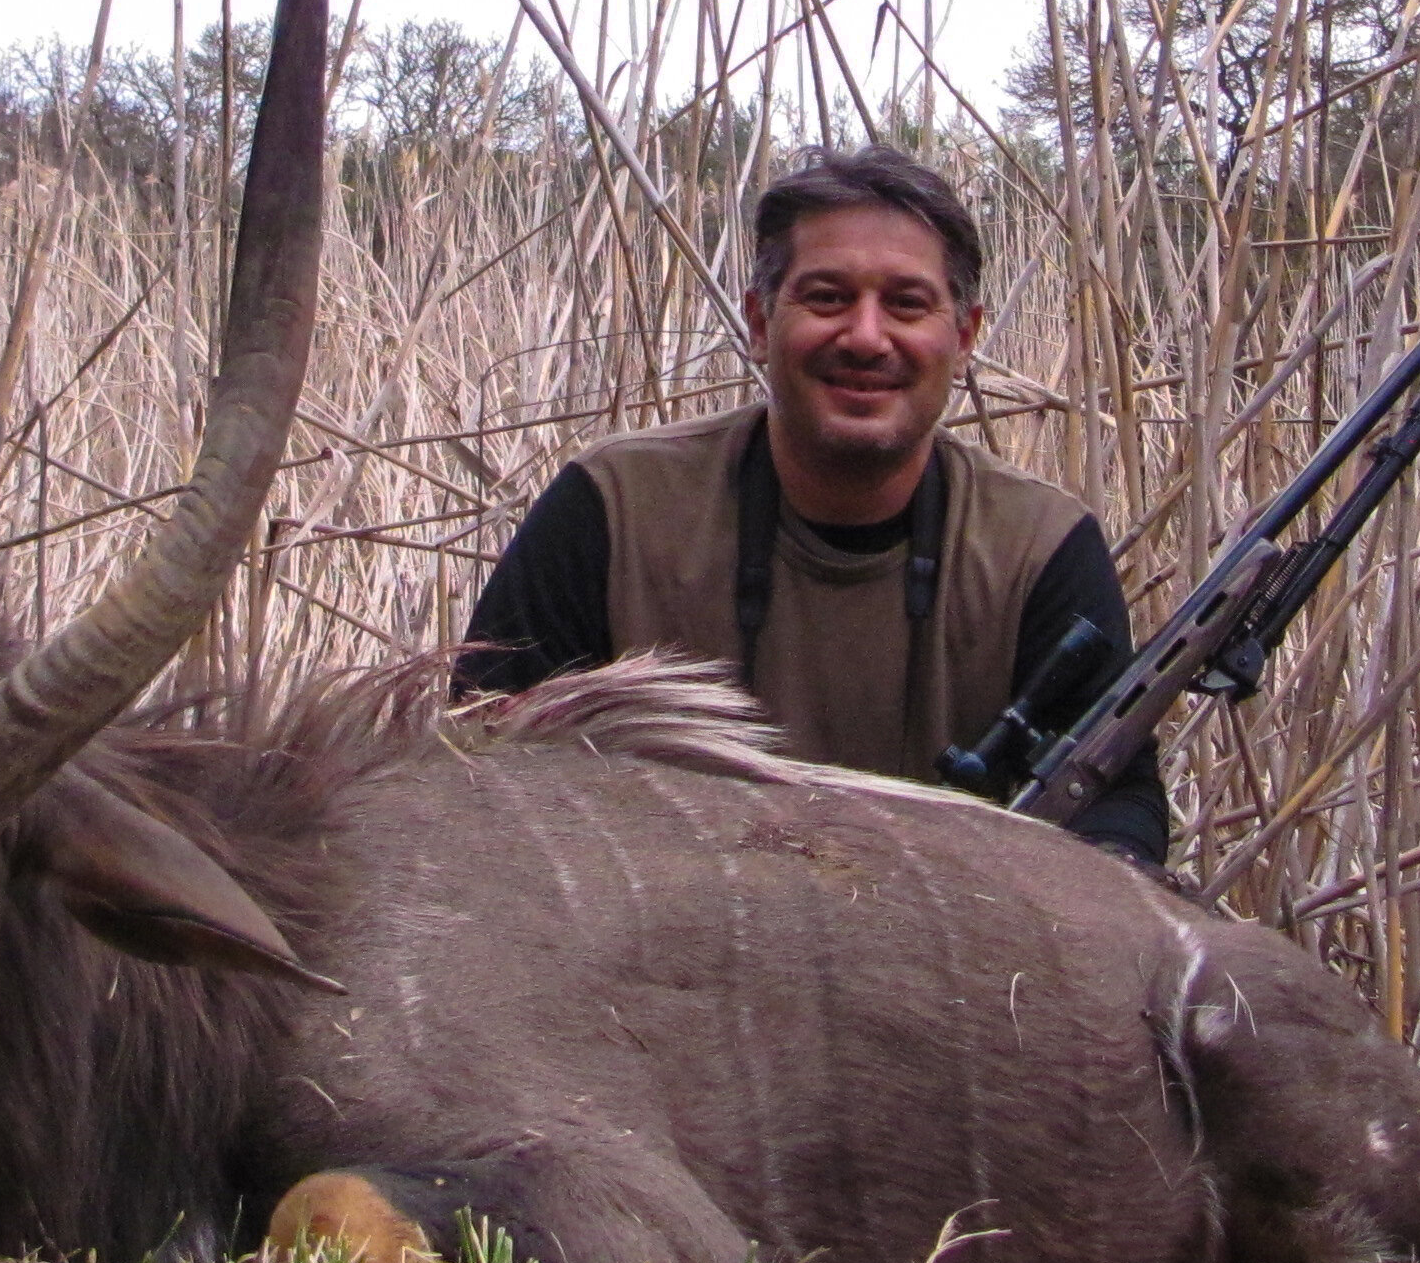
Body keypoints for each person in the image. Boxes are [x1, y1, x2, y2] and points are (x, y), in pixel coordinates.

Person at [456, 146, 1169, 868]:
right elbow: (481, 766)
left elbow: (1118, 795)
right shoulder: (611, 508)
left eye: (907, 304)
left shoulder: (1041, 546)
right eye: (827, 297)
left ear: (964, 336)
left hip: (950, 959)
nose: (865, 336)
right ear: (760, 323)